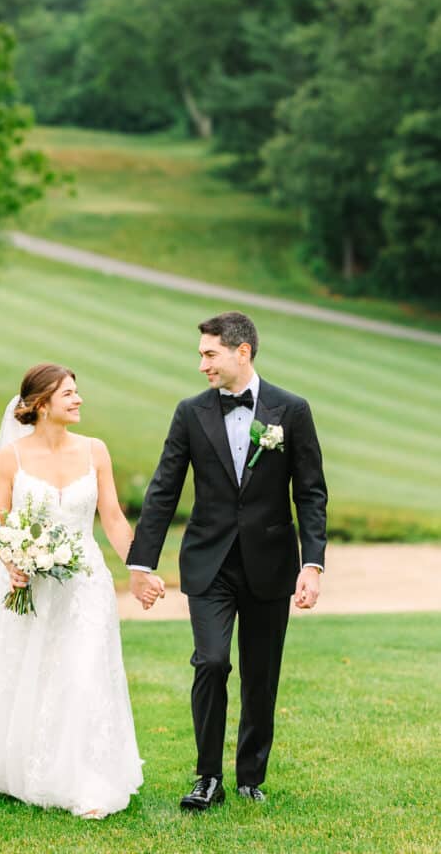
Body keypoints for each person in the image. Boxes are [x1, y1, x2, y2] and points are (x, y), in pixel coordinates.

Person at [0, 363, 163, 819]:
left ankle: (86, 781)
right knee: (28, 672)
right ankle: (16, 764)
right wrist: (13, 562)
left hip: (85, 584)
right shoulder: (12, 458)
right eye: (68, 394)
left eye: (77, 392)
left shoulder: (96, 451)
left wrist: (139, 568)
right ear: (41, 404)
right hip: (29, 584)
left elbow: (114, 520)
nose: (78, 400)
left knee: (83, 674)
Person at [127, 312, 327, 810]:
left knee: (262, 673)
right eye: (201, 355)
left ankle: (249, 777)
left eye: (209, 354)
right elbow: (163, 489)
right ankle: (207, 777)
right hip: (209, 562)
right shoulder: (190, 412)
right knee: (212, 661)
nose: (202, 366)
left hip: (271, 562)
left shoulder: (292, 410)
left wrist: (313, 563)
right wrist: (141, 563)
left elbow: (310, 492)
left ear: (243, 352)